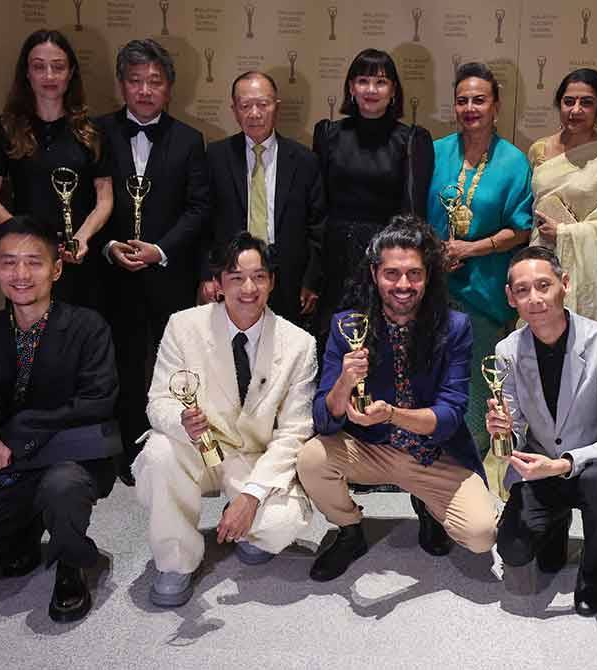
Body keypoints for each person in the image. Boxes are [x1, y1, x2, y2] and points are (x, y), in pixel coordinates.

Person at [0, 215, 121, 624]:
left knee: (62, 486)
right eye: (9, 262)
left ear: (55, 269)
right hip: (15, 465)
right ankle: (27, 528)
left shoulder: (88, 327)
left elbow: (98, 401)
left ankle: (72, 563)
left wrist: (18, 433)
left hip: (74, 458)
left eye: (34, 262)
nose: (21, 274)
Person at [296, 216, 497, 582]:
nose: (403, 285)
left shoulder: (454, 327)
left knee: (481, 536)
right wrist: (344, 381)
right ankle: (350, 530)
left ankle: (426, 504)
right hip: (372, 448)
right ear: (375, 274)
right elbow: (323, 421)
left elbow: (451, 415)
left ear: (428, 276)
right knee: (311, 458)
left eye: (414, 274)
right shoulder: (348, 326)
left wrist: (391, 414)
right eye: (392, 273)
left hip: (433, 452)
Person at [133, 232, 317, 608]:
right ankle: (176, 560)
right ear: (217, 284)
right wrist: (180, 421)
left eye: (259, 277)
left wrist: (252, 496)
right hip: (198, 447)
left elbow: (295, 433)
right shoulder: (182, 326)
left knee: (281, 525)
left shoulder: (299, 344)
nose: (248, 288)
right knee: (157, 454)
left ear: (272, 281)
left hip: (252, 456)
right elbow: (158, 402)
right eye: (235, 278)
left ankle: (248, 524)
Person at [490, 247, 597, 615]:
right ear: (511, 298)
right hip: (538, 466)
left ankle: (592, 565)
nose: (535, 299)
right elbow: (517, 434)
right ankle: (555, 525)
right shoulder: (507, 351)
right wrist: (503, 432)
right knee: (513, 549)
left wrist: (562, 465)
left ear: (564, 285)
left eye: (544, 285)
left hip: (591, 466)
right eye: (522, 290)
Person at [95, 39, 210, 485]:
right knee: (120, 364)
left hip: (169, 274)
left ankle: (174, 449)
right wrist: (108, 247)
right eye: (136, 81)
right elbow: (87, 202)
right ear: (123, 85)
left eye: (154, 82)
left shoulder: (189, 139)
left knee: (175, 367)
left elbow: (199, 209)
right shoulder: (96, 132)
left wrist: (159, 250)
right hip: (112, 274)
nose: (144, 90)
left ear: (169, 88)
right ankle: (125, 450)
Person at [426, 61, 533, 459]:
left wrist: (470, 249)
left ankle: (466, 467)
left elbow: (520, 230)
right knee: (430, 381)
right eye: (462, 100)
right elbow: (414, 212)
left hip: (483, 293)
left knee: (476, 388)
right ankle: (427, 467)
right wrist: (435, 249)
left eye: (479, 100)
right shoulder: (435, 153)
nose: (470, 108)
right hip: (431, 291)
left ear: (496, 106)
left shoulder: (513, 161)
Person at [0, 29, 113, 310]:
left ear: (71, 72)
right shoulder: (5, 128)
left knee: (82, 343)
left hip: (80, 263)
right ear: (27, 73)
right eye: (39, 67)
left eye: (58, 67)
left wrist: (81, 238)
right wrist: (28, 240)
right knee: (31, 346)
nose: (49, 76)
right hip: (29, 266)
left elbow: (104, 199)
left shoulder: (93, 131)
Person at [312, 48, 434, 339]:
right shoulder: (328, 134)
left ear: (393, 91)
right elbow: (316, 206)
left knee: (381, 341)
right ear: (351, 87)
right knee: (332, 340)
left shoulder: (411, 139)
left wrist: (397, 266)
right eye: (363, 81)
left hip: (384, 258)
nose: (371, 89)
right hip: (333, 258)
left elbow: (412, 214)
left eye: (380, 82)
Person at [204, 70, 325, 330]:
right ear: (234, 110)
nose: (255, 113)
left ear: (276, 107)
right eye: (245, 106)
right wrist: (209, 274)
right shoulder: (215, 156)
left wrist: (311, 280)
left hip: (288, 277)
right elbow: (204, 220)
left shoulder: (304, 161)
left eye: (263, 104)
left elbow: (318, 227)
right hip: (232, 273)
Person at [527, 68, 597, 327]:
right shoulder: (539, 150)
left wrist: (562, 233)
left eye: (586, 103)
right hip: (539, 258)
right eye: (568, 101)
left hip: (585, 271)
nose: (575, 110)